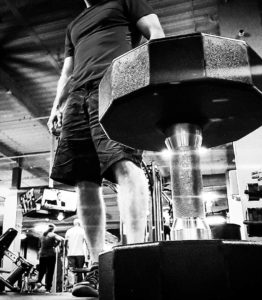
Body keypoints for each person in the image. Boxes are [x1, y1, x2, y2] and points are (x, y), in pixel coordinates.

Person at [47, 0, 165, 297]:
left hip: (113, 84)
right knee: (85, 182)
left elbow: (157, 35)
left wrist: (139, 79)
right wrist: (56, 105)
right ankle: (100, 265)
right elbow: (67, 71)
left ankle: (133, 260)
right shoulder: (73, 24)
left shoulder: (125, 1)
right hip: (77, 97)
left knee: (125, 164)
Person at [35, 224, 63, 293]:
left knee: (42, 270)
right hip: (50, 254)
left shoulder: (42, 235)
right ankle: (48, 288)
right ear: (53, 229)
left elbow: (39, 246)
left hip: (42, 254)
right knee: (50, 271)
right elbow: (61, 239)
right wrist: (55, 246)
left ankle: (38, 282)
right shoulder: (53, 235)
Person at [65, 219, 89, 283]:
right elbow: (87, 242)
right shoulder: (82, 231)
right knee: (80, 271)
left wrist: (66, 251)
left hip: (70, 254)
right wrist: (89, 253)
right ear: (79, 223)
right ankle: (79, 285)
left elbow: (65, 243)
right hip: (80, 254)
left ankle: (72, 285)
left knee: (71, 270)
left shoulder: (69, 231)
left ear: (74, 223)